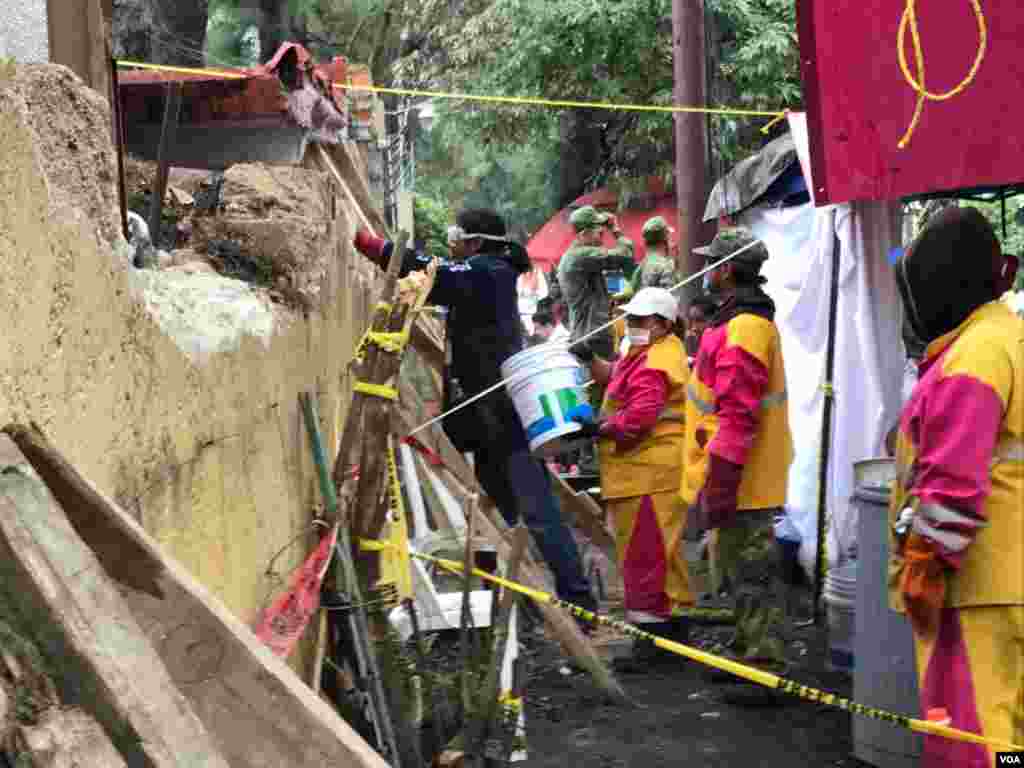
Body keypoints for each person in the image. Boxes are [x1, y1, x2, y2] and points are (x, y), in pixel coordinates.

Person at [352, 210, 596, 618]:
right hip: (485, 423)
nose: (453, 246)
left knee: (536, 514)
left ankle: (578, 602)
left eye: (458, 238)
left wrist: (380, 250)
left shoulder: (490, 271)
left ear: (476, 241)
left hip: (504, 421)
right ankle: (535, 607)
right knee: (509, 518)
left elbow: (438, 275)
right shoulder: (489, 272)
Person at [887, 207, 1023, 766]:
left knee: (977, 739)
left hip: (976, 587)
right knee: (1010, 735)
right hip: (1007, 578)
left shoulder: (974, 355)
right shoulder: (1007, 336)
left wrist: (921, 564)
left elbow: (953, 484)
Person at [680, 227, 793, 682]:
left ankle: (764, 664)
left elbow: (738, 414)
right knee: (741, 572)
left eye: (712, 263)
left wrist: (721, 486)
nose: (706, 270)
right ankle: (749, 649)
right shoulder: (737, 322)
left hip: (745, 477)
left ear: (726, 271)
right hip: (739, 472)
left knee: (753, 573)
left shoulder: (745, 327)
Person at [569, 288, 693, 669]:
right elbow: (617, 379)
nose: (632, 324)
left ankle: (652, 647)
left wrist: (598, 429)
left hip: (648, 474)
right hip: (649, 473)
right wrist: (592, 361)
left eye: (640, 320)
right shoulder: (647, 351)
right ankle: (673, 634)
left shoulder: (657, 362)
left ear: (663, 323)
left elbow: (637, 420)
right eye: (632, 318)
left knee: (646, 557)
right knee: (662, 556)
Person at [557, 206, 634, 361]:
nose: (603, 238)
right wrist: (615, 229)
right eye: (600, 234)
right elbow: (626, 254)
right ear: (584, 234)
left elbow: (619, 288)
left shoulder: (583, 258)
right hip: (592, 338)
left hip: (590, 335)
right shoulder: (582, 256)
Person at [629, 216, 680, 293]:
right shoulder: (667, 266)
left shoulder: (642, 265)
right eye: (669, 236)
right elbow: (671, 300)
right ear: (665, 238)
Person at [683, 294, 717, 367]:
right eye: (691, 321)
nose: (694, 328)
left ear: (713, 319)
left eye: (699, 320)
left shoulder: (722, 348)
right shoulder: (690, 343)